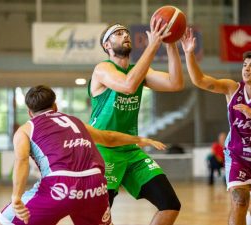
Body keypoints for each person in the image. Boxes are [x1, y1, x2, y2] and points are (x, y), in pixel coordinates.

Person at [0, 85, 166, 225]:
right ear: (55, 106)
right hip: (96, 185)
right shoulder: (75, 121)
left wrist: (16, 196)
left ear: (30, 112)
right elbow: (109, 138)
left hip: (60, 186)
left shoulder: (25, 129)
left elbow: (21, 161)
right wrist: (141, 139)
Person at [181, 28, 251, 225]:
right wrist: (189, 53)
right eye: (244, 65)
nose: (246, 68)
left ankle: (250, 219)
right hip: (237, 156)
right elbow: (200, 80)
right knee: (239, 200)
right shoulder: (232, 88)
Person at [88, 19, 185, 225]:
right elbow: (128, 85)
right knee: (100, 218)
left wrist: (171, 44)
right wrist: (153, 45)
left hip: (130, 150)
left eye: (126, 33)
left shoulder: (140, 72)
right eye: (118, 33)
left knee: (170, 204)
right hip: (103, 150)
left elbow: (175, 83)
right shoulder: (102, 69)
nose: (125, 36)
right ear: (107, 45)